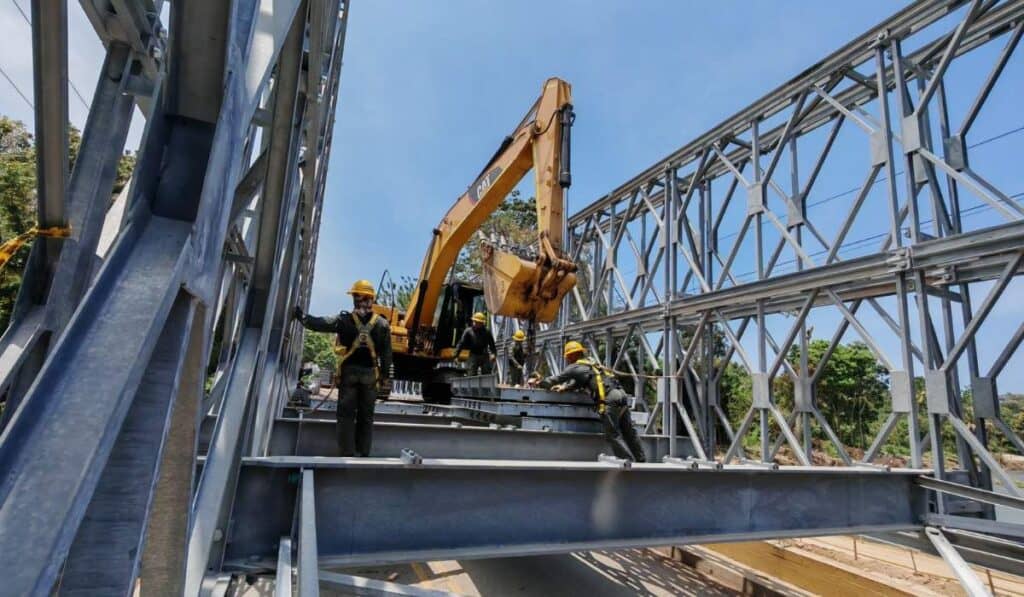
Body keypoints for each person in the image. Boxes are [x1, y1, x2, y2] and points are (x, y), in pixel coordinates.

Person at [294, 279, 392, 457]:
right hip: (370, 375)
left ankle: (346, 453)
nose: (354, 298)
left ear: (359, 298)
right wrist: (384, 376)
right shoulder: (382, 325)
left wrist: (301, 316)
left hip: (349, 374)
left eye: (355, 295)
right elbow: (386, 354)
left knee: (346, 415)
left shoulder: (344, 320)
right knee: (366, 417)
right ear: (371, 299)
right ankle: (363, 453)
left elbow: (319, 323)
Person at [530, 341, 646, 462]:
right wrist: (566, 387)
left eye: (568, 356)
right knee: (628, 432)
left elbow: (554, 380)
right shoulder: (592, 364)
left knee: (612, 434)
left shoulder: (573, 368)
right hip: (621, 395)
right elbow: (583, 380)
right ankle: (641, 460)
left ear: (572, 355)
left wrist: (539, 382)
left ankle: (626, 461)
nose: (567, 359)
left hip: (610, 399)